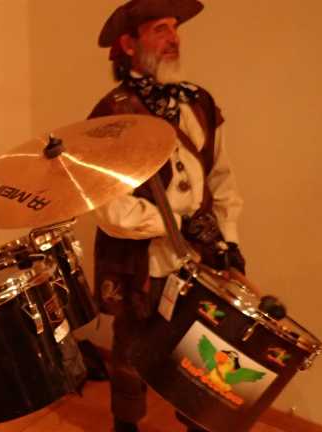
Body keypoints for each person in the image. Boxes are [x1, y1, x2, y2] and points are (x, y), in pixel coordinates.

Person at [87, 1, 245, 431]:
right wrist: (175, 224)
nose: (174, 38)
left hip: (200, 257)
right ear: (129, 43)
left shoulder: (200, 102)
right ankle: (126, 426)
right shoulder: (110, 115)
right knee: (131, 353)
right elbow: (110, 208)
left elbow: (221, 177)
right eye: (160, 29)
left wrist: (228, 238)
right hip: (143, 260)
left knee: (205, 351)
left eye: (174, 28)